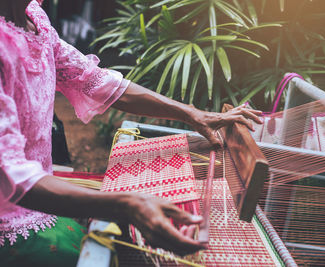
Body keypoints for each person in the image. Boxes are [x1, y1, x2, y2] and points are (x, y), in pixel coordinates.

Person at [0, 0, 262, 265]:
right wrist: (127, 205)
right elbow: (8, 173)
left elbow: (94, 81)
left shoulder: (33, 19)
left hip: (40, 200)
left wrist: (191, 113)